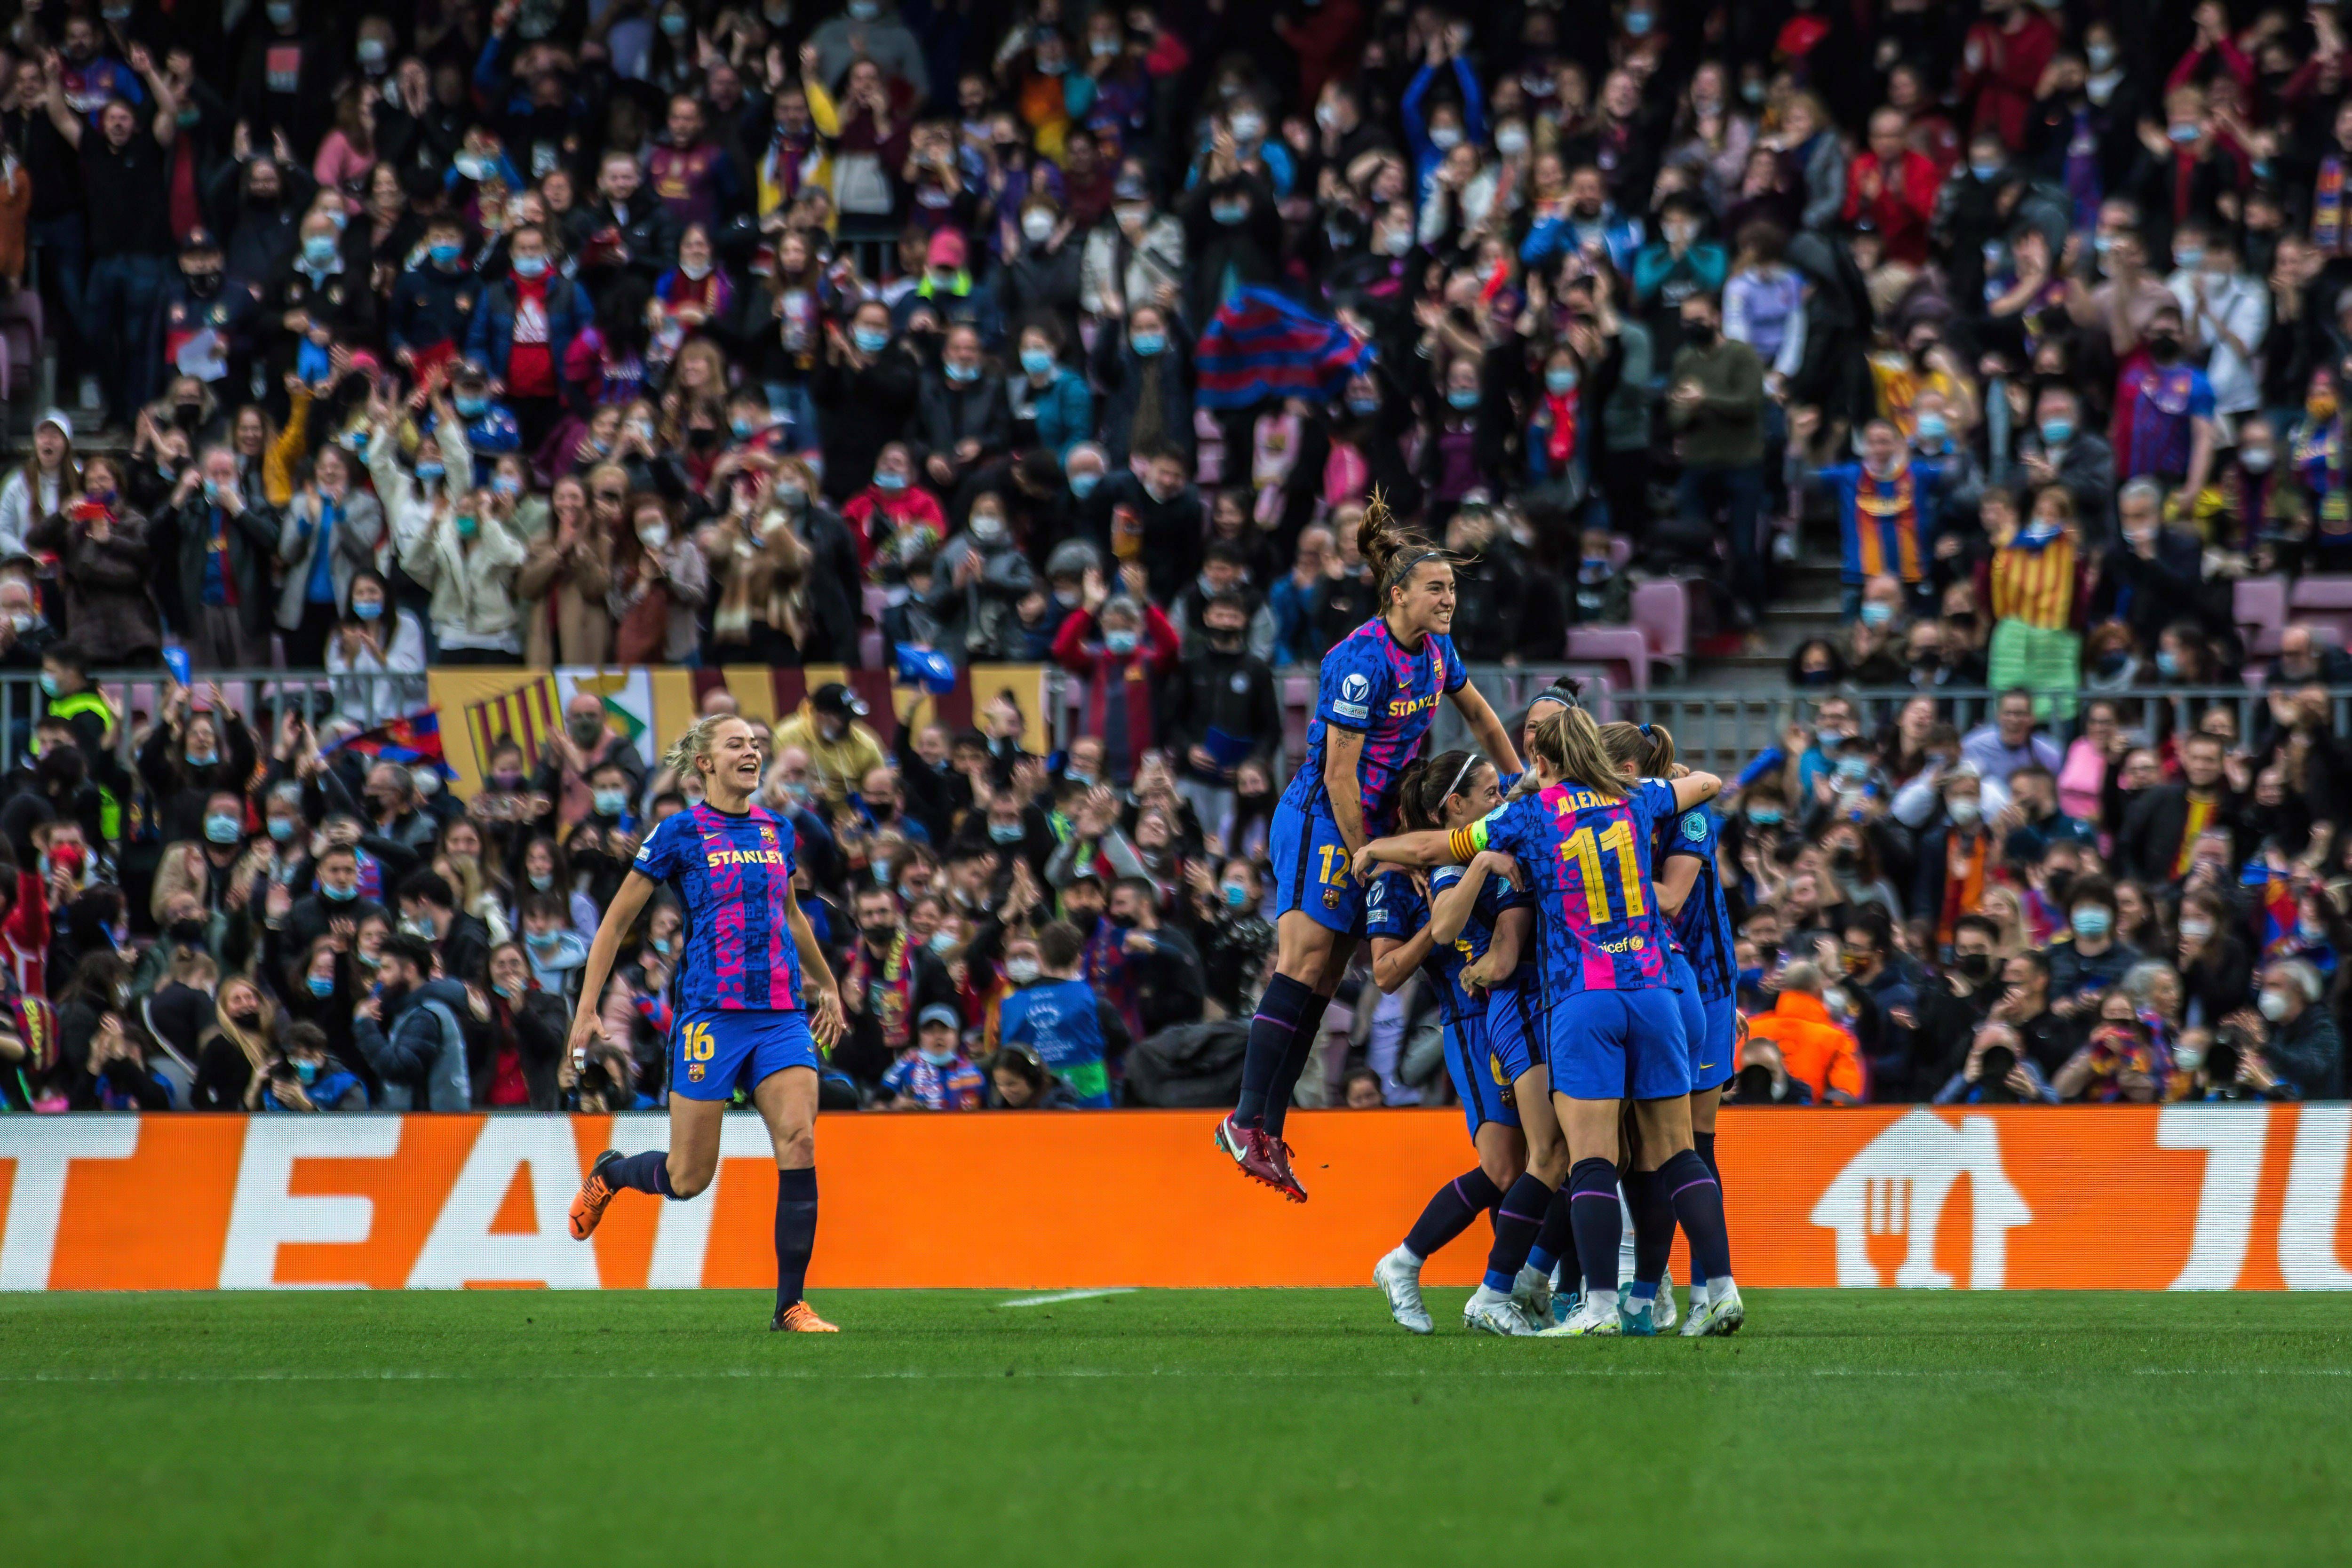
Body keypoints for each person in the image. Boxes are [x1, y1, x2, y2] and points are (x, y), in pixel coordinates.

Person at [1356, 702, 1736, 1338]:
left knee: (1581, 1158)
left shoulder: (1524, 817)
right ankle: (1711, 1290)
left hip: (1579, 993)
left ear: (1540, 759)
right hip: (1654, 985)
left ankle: (1584, 1301)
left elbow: (1431, 848)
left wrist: (1373, 847)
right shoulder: (1634, 798)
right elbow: (1707, 784)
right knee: (1671, 1151)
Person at [1219, 498, 1519, 1203]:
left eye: (1452, 589)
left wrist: (1519, 786)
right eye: (1437, 589)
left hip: (1375, 826)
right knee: (1300, 963)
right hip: (1325, 821)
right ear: (1398, 595)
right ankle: (1242, 1118)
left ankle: (1268, 1128)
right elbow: (1338, 775)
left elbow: (1482, 717)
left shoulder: (1438, 653)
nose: (1449, 600)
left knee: (1325, 981)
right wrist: (1374, 856)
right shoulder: (1358, 661)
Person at [563, 715, 848, 1334]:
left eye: (756, 743)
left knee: (799, 1142)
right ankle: (612, 1173)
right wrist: (586, 1008)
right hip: (710, 1017)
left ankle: (790, 1306)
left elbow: (790, 913)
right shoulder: (679, 832)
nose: (752, 751)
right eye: (736, 744)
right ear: (705, 763)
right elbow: (615, 923)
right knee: (687, 1178)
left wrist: (826, 982)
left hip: (780, 1014)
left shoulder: (777, 829)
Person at [1364, 748, 1565, 1338]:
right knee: (1505, 1168)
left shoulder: (1482, 842)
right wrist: (1440, 918)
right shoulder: (1399, 879)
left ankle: (1521, 1285)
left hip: (1518, 1007)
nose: (1499, 801)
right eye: (1488, 793)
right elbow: (1384, 974)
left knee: (1547, 1159)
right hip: (1472, 1021)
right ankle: (1406, 1261)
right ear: (1452, 805)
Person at [1605, 719, 1739, 1329]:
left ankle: (1707, 1290)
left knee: (1692, 1141)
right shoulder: (1618, 814)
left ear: (1627, 771)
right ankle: (1651, 1287)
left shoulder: (1688, 816)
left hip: (1701, 986)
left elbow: (1672, 898)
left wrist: (1584, 872)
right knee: (1644, 1147)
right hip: (1648, 983)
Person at [995, 920, 1111, 1107]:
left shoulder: (1011, 1003)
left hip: (1037, 1105)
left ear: (1040, 957)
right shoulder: (1089, 997)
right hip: (1091, 1102)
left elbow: (1006, 1053)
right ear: (1079, 959)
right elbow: (1119, 1039)